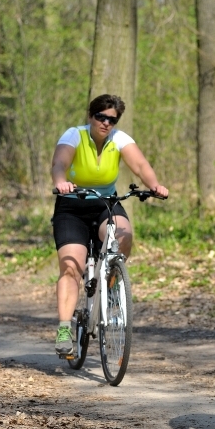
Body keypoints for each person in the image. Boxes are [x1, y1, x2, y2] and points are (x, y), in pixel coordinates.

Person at [50, 94, 168, 357]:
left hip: (105, 203)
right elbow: (60, 163)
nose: (105, 123)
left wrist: (154, 184)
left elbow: (140, 165)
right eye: (100, 117)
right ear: (91, 117)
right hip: (72, 206)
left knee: (123, 235)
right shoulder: (74, 135)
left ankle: (111, 283)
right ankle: (63, 329)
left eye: (111, 119)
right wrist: (61, 181)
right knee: (71, 267)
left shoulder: (119, 139)